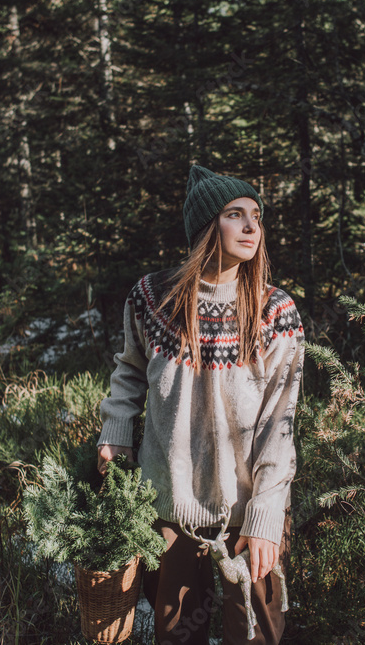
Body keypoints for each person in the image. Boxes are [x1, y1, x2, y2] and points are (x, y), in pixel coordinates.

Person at [96, 164, 304, 645]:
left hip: (250, 509)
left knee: (255, 634)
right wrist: (115, 431)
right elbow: (130, 370)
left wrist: (267, 515)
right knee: (177, 633)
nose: (251, 227)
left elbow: (281, 421)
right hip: (170, 504)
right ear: (207, 227)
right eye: (235, 215)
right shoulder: (154, 298)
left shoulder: (274, 311)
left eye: (256, 216)